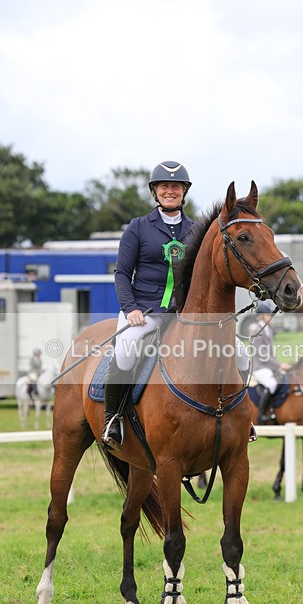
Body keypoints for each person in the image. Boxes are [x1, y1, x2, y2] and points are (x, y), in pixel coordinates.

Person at [102, 161, 196, 449]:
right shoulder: (139, 228)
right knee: (128, 351)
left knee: (231, 350)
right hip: (144, 311)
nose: (170, 191)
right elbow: (121, 272)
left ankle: (237, 414)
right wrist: (130, 308)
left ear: (184, 192)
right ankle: (113, 419)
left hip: (182, 315)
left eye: (176, 187)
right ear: (155, 192)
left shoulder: (196, 230)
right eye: (164, 187)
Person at [249, 305, 290, 424]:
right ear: (261, 316)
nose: (270, 317)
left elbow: (270, 354)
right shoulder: (256, 330)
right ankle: (261, 415)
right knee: (272, 384)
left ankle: (273, 409)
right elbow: (262, 355)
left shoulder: (268, 329)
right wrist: (279, 366)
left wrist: (279, 365)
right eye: (268, 315)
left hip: (268, 366)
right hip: (259, 367)